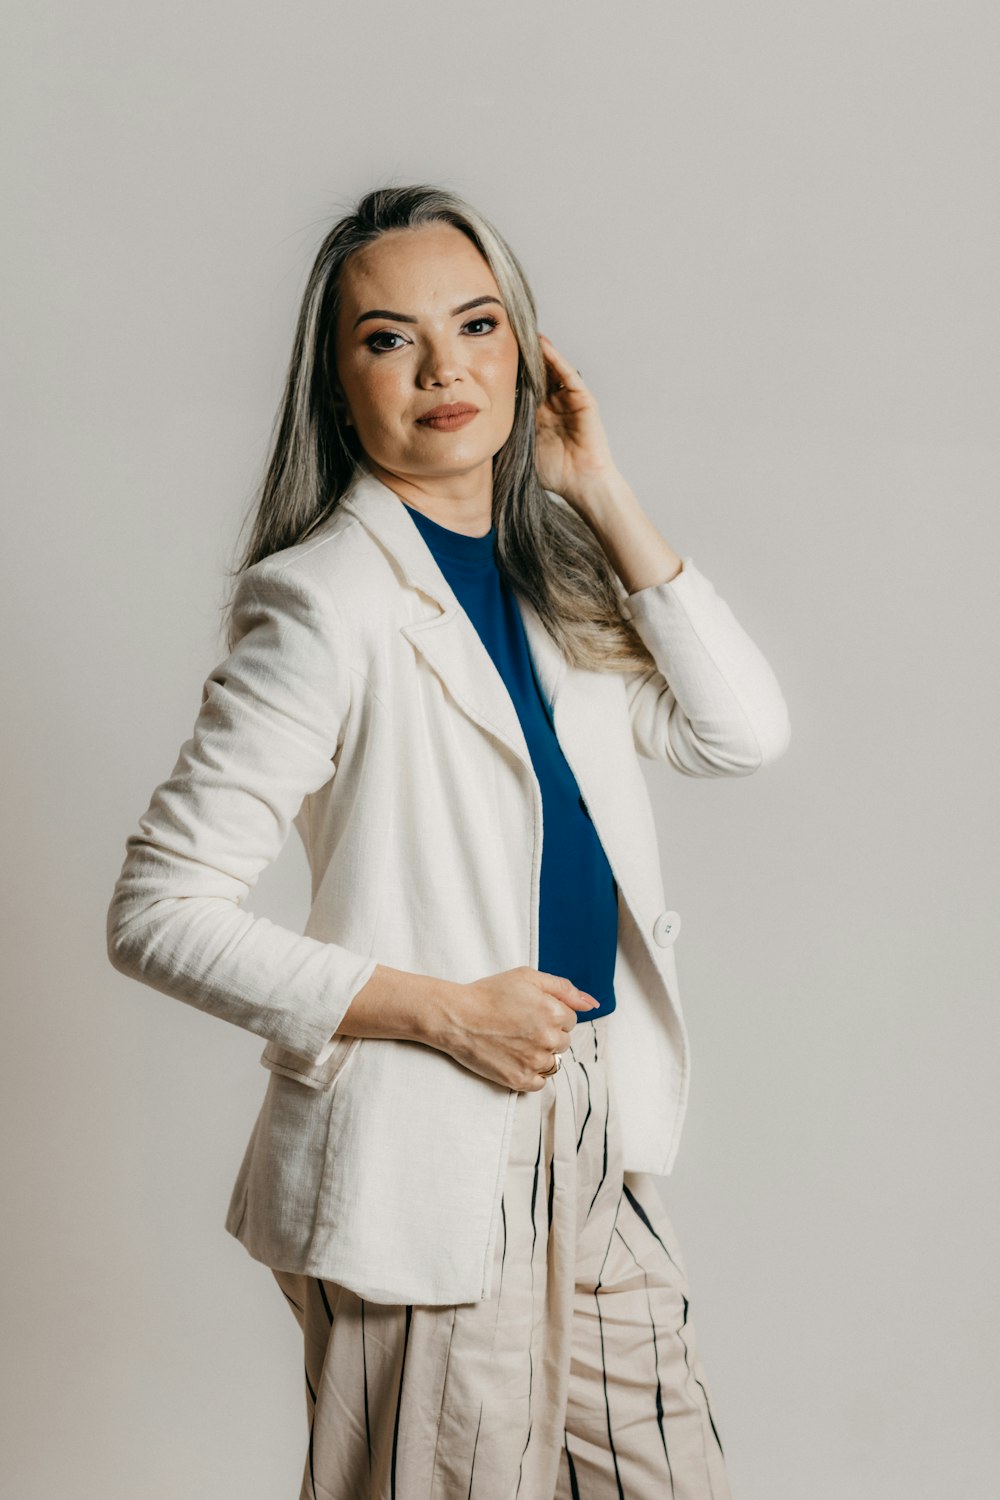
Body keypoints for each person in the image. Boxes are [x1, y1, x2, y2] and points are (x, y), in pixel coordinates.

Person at [106, 182, 791, 1499]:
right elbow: (157, 909)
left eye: (476, 325)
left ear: (523, 350)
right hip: (427, 1133)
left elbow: (740, 730)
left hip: (591, 1115)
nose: (441, 369)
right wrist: (438, 1013)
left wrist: (599, 484)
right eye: (387, 339)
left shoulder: (551, 579)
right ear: (337, 381)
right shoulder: (321, 603)